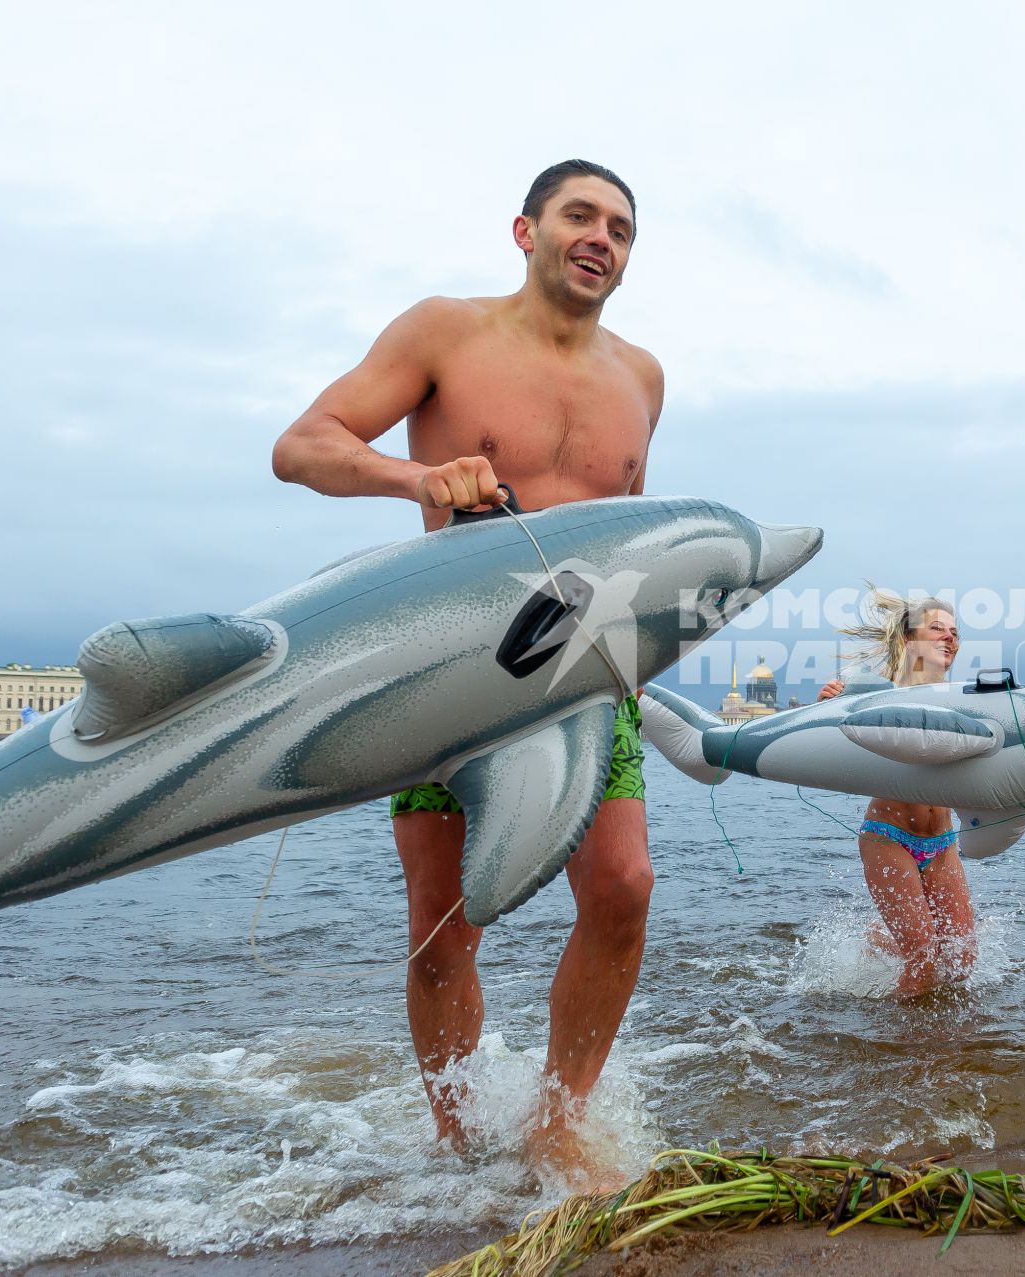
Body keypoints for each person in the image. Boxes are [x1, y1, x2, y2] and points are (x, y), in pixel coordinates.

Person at [270, 159, 663, 1170]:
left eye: (620, 227)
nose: (600, 237)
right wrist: (418, 473)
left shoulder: (642, 377)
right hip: (449, 659)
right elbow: (303, 445)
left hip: (582, 663)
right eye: (580, 215)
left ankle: (557, 1124)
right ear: (525, 230)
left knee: (622, 886)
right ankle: (457, 1139)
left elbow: (631, 529)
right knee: (444, 921)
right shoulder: (446, 330)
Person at [817, 591, 977, 997]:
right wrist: (826, 707)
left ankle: (881, 938)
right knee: (923, 960)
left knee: (961, 961)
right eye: (937, 629)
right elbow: (822, 745)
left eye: (955, 632)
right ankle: (895, 1048)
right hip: (889, 838)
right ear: (908, 639)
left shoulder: (965, 701)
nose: (950, 638)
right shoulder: (877, 696)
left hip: (942, 842)